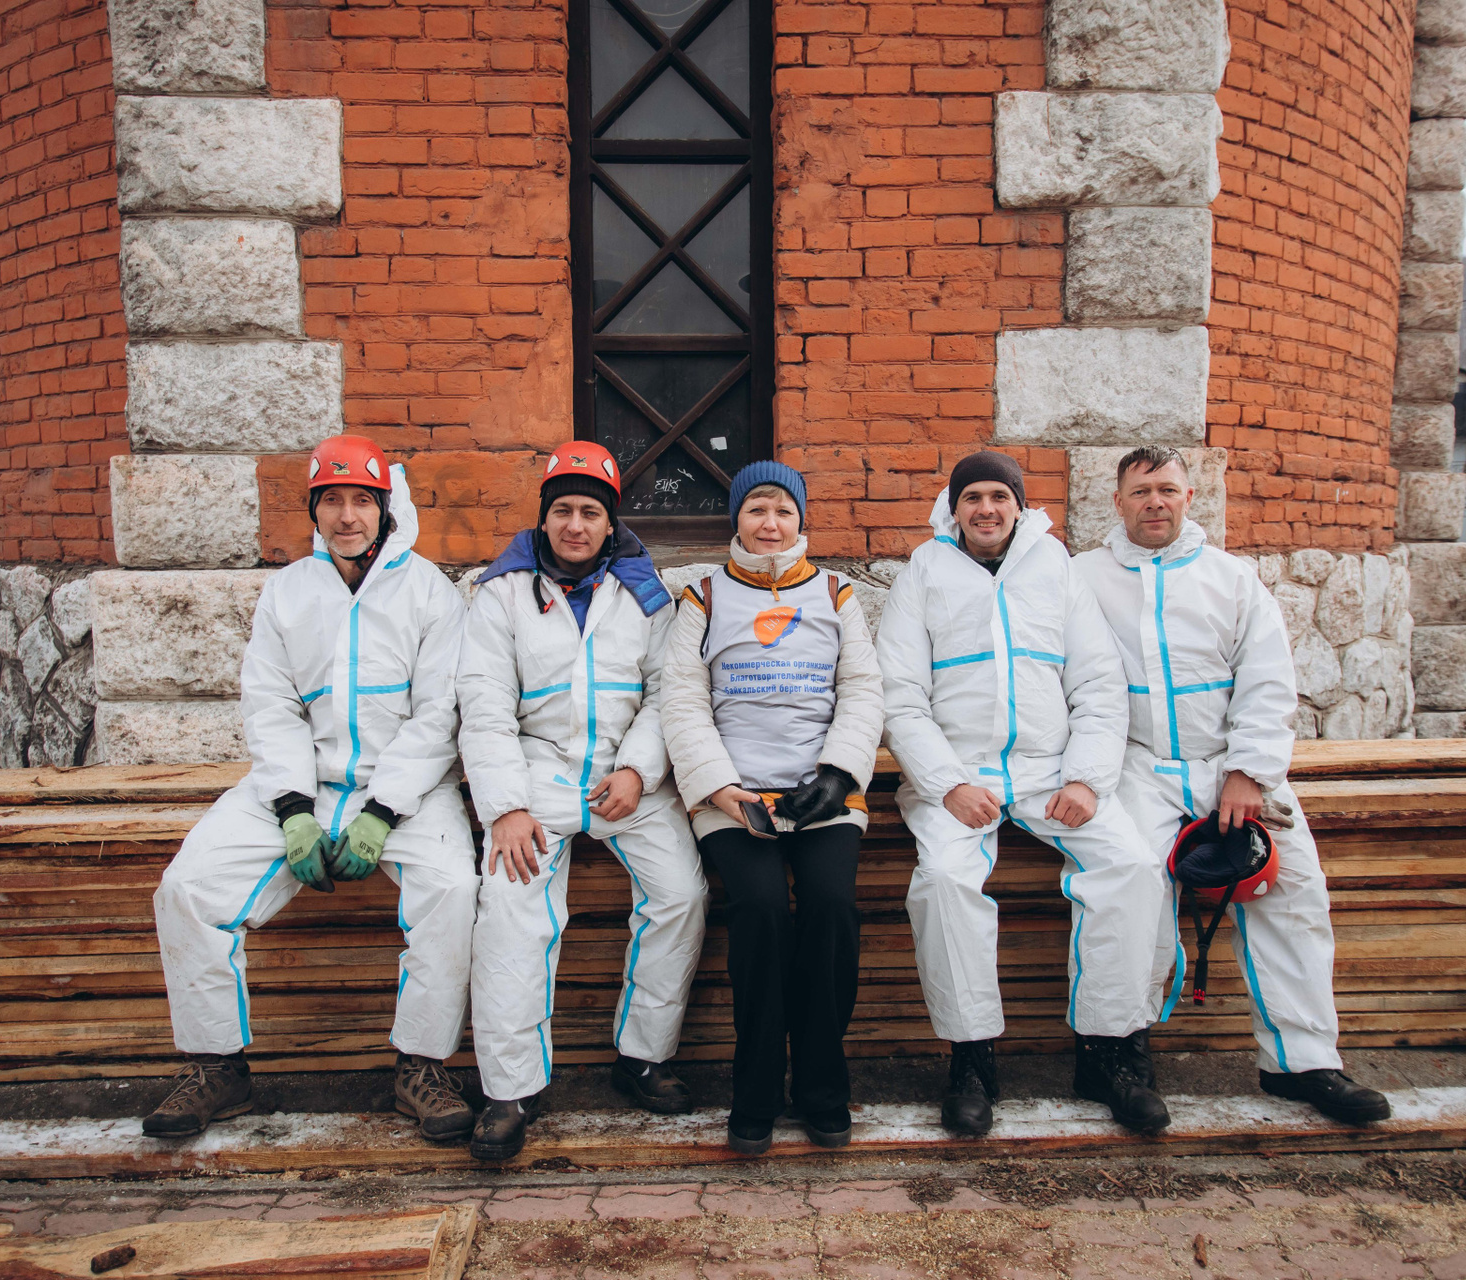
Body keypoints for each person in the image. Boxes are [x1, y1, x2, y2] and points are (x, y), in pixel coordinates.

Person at [144, 435, 478, 1142]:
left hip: (406, 792)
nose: (347, 515)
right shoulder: (288, 591)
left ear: (385, 509)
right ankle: (218, 1068)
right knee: (187, 887)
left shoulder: (429, 592)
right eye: (331, 500)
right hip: (303, 785)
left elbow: (438, 716)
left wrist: (382, 811)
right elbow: (271, 706)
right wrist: (294, 811)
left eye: (361, 500)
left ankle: (421, 1067)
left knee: (452, 889)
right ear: (314, 510)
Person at [1072, 446, 1392, 1124]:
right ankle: (1116, 1056)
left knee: (1292, 887)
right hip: (1136, 764)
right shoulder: (1083, 577)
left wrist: (1247, 772)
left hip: (1229, 764)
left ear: (1190, 497)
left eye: (1167, 489)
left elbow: (1269, 679)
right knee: (1126, 884)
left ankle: (1303, 1062)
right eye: (1140, 491)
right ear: (1118, 502)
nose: (1155, 502)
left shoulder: (1232, 578)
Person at [875, 450, 1172, 1136]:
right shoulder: (924, 571)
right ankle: (972, 1060)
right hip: (962, 774)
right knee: (944, 882)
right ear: (955, 508)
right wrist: (947, 783)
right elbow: (901, 695)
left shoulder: (1054, 567)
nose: (986, 509)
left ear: (1019, 505)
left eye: (999, 497)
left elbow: (1098, 682)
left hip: (1049, 771)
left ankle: (1109, 1053)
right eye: (972, 497)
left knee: (1131, 865)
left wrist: (1086, 778)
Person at [458, 442, 708, 1162]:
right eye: (562, 510)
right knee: (511, 907)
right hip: (535, 775)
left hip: (623, 779)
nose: (575, 525)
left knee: (682, 894)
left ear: (610, 522)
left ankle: (643, 1056)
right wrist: (505, 806)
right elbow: (484, 704)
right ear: (543, 518)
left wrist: (637, 770)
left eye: (590, 512)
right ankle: (511, 1090)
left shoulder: (645, 593)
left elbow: (667, 692)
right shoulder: (502, 592)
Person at [661, 461, 886, 1154]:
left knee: (831, 910)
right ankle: (755, 1088)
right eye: (757, 508)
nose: (770, 523)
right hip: (735, 796)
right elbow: (682, 698)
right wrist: (719, 787)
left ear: (800, 521)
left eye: (783, 511)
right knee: (758, 911)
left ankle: (821, 1085)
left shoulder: (835, 592)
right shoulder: (703, 596)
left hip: (822, 793)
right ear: (737, 518)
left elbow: (863, 688)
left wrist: (839, 772)